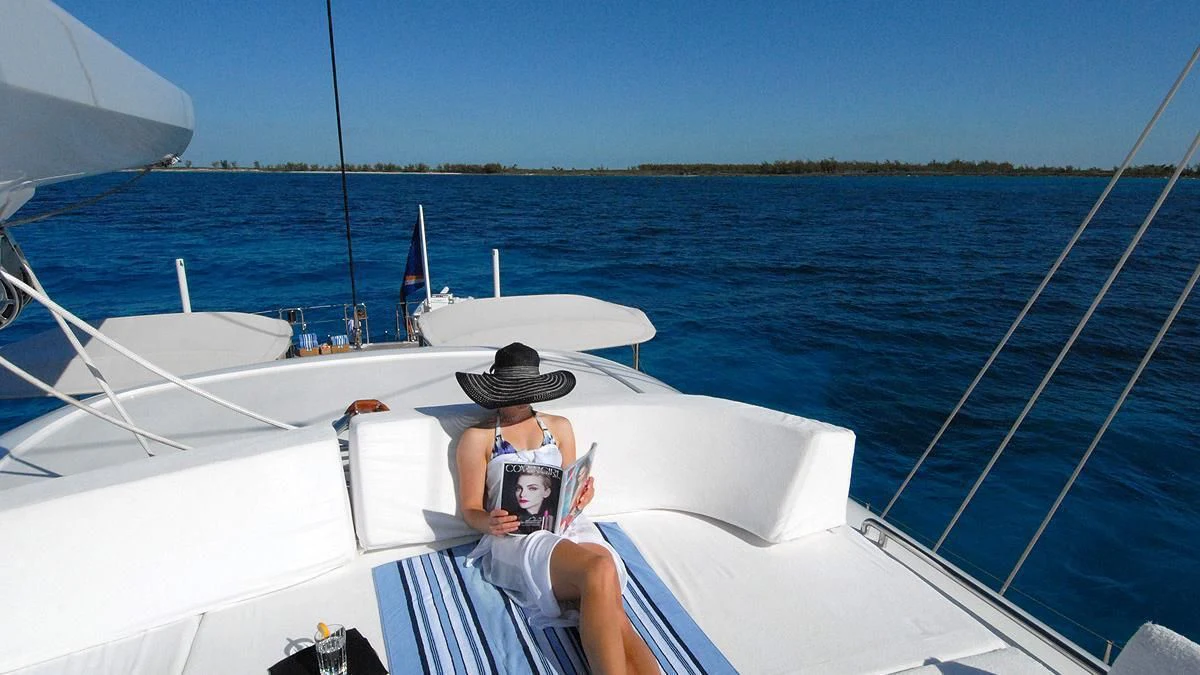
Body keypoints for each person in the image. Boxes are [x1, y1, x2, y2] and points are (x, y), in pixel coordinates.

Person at [456, 342, 658, 674]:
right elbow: (469, 510)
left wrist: (583, 495)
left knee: (604, 574)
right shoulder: (477, 438)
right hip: (514, 538)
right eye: (510, 391)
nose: (516, 399)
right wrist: (489, 522)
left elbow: (567, 488)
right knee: (597, 571)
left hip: (566, 526)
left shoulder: (559, 427)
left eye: (523, 391)